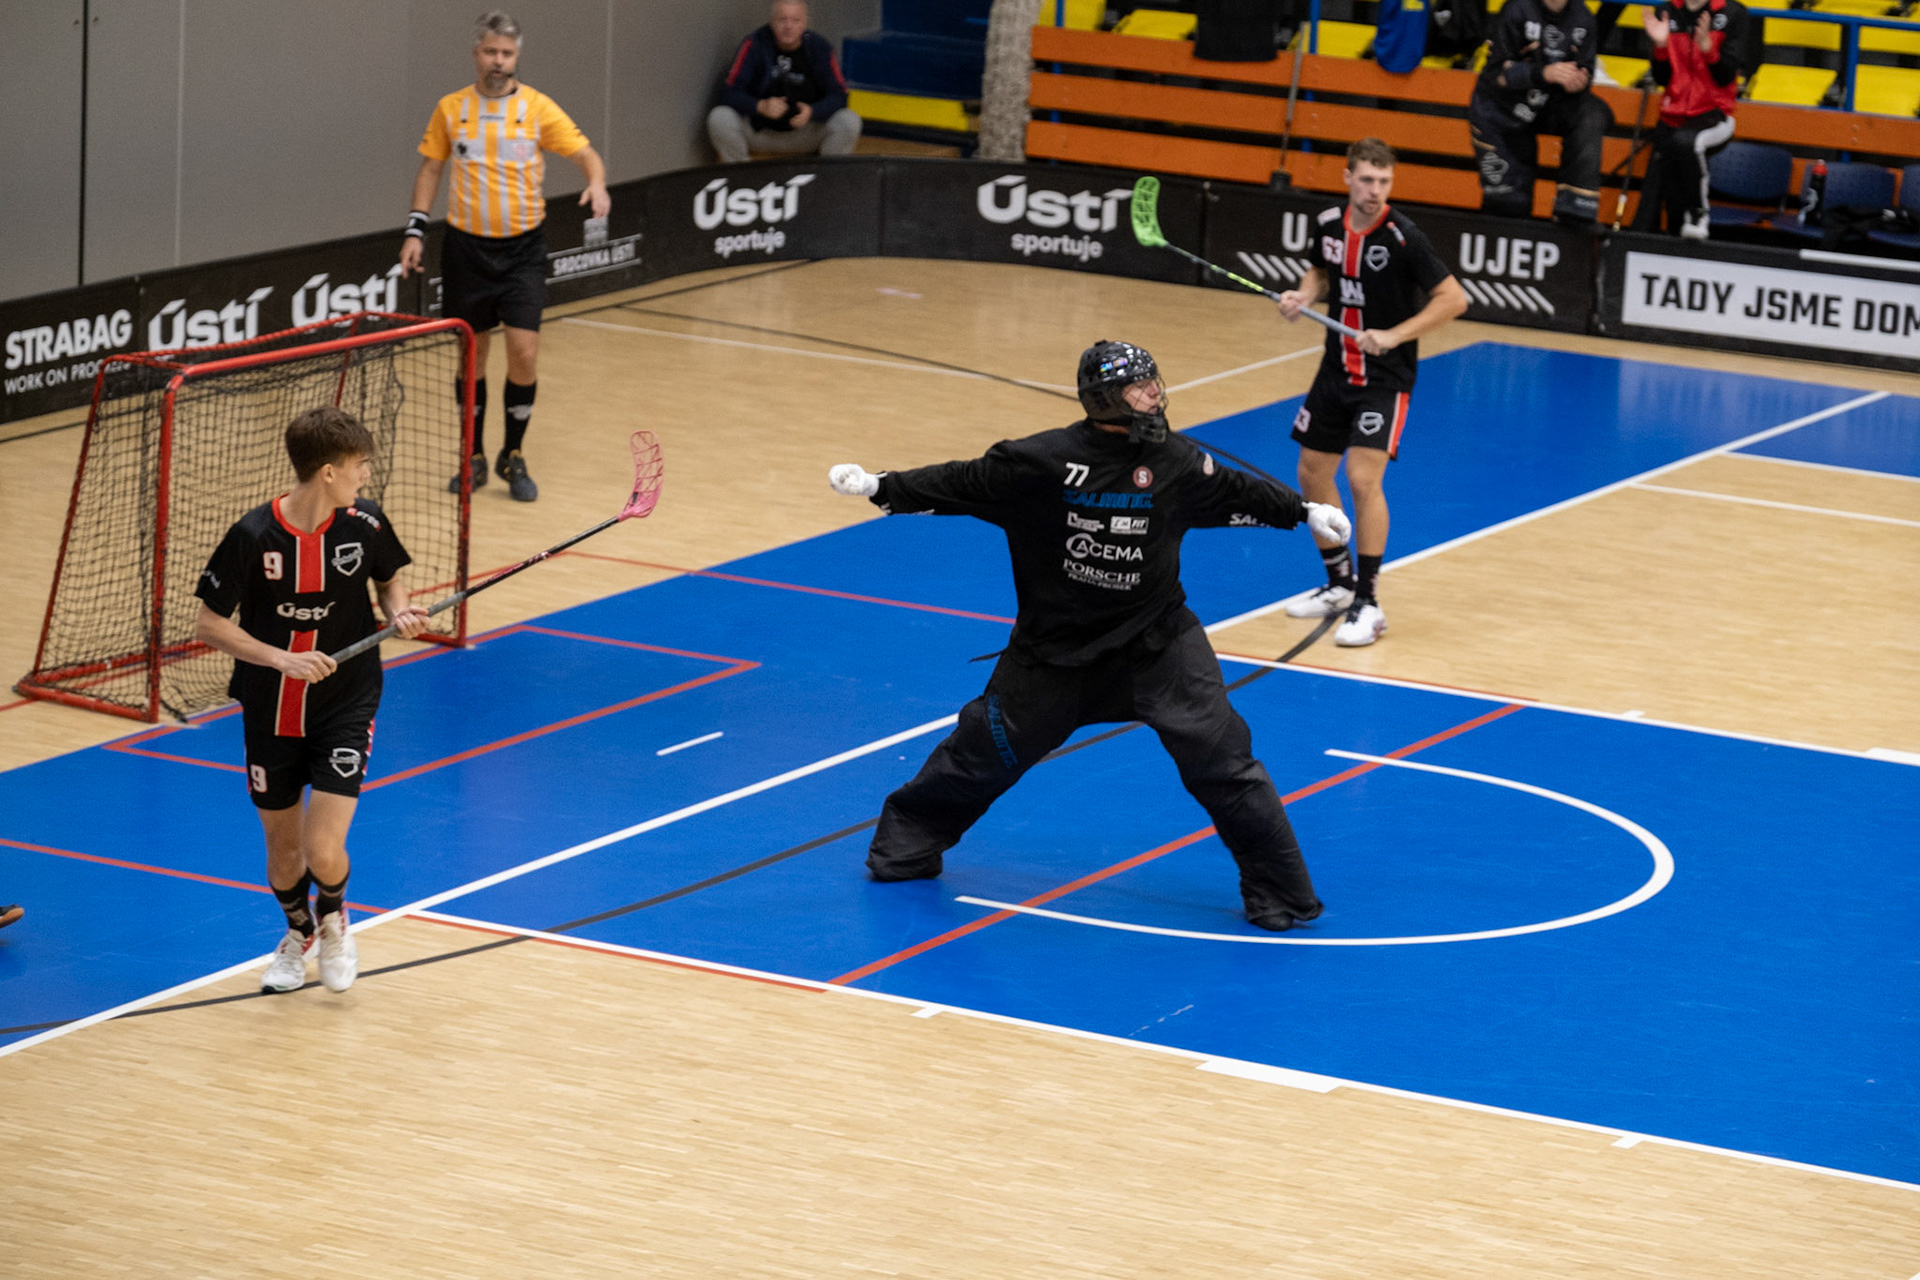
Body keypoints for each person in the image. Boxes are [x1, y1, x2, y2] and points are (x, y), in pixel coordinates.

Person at [826, 341, 1352, 932]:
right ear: (1105, 399)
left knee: (1225, 763)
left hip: (1160, 647)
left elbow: (1235, 491)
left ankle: (1282, 895)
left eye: (1154, 382)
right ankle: (905, 847)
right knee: (980, 755)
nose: (1154, 395)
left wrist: (1301, 511)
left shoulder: (1177, 461)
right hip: (1055, 656)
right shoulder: (1039, 463)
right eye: (1140, 388)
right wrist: (881, 486)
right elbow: (961, 481)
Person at [193, 407, 429, 994]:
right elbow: (209, 625)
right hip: (271, 706)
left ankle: (335, 920)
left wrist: (399, 610)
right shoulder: (253, 536)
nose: (365, 475)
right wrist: (281, 659)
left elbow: (389, 579)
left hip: (346, 700)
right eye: (359, 465)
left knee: (323, 850)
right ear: (327, 471)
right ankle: (299, 933)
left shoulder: (366, 523)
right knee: (283, 855)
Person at [399, 10, 611, 502]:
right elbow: (430, 170)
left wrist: (597, 183)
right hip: (466, 251)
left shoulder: (537, 109)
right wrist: (414, 231)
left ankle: (512, 454)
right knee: (471, 356)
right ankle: (472, 457)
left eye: (507, 53)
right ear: (476, 54)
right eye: (491, 52)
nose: (499, 61)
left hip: (522, 252)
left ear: (517, 57)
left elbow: (585, 155)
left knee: (524, 351)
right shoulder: (451, 109)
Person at [1275, 139, 1469, 647]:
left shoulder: (1404, 237)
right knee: (1312, 472)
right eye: (1366, 180)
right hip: (1335, 369)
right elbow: (1321, 271)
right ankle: (1339, 583)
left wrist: (1395, 335)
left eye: (1383, 181)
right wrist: (1303, 295)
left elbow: (1454, 299)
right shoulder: (1327, 225)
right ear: (1347, 178)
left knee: (1362, 480)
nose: (1374, 190)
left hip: (1385, 378)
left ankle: (1369, 602)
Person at [1467, 0, 1613, 227]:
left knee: (1593, 112)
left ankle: (1575, 210)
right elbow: (1497, 73)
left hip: (1548, 103)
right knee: (1508, 207)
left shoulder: (1584, 17)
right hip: (1502, 111)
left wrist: (1579, 81)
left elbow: (1586, 69)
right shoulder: (1516, 9)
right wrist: (1544, 73)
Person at [1631, 0, 1750, 239]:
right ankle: (1659, 238)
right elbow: (1662, 78)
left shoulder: (1734, 13)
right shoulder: (1666, 12)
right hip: (1671, 115)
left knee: (1686, 142)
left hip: (1714, 114)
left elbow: (1727, 76)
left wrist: (1708, 50)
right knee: (1658, 192)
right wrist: (1661, 46)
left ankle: (1698, 213)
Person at [708, 0, 861, 164]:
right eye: (782, 20)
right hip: (760, 131)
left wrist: (813, 111)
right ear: (772, 22)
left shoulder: (820, 47)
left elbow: (840, 96)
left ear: (805, 23)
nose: (788, 26)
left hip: (806, 133)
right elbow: (727, 93)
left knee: (849, 120)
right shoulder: (754, 44)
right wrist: (760, 106)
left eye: (795, 20)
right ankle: (742, 173)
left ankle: (826, 172)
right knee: (719, 117)